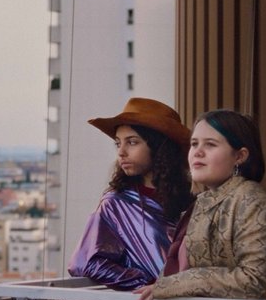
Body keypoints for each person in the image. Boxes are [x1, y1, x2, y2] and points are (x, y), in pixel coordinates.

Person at [136, 108, 266, 300]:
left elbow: (260, 282)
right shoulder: (202, 202)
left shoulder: (254, 204)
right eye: (194, 144)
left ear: (240, 156)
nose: (197, 152)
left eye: (210, 144)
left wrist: (183, 283)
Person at [69, 97, 192, 290]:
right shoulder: (115, 203)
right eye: (118, 144)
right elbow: (86, 262)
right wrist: (146, 284)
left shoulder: (193, 201)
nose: (121, 152)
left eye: (132, 142)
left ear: (159, 146)